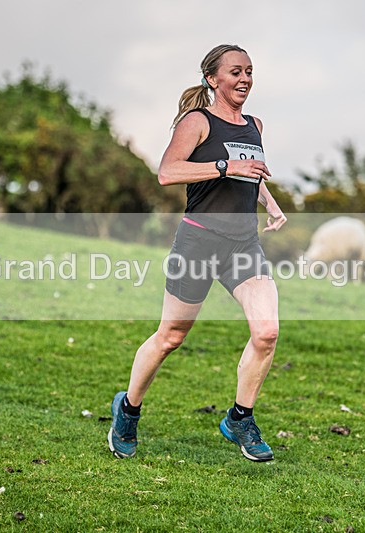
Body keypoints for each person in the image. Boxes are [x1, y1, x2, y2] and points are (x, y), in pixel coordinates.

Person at [108, 44, 287, 462]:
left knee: (267, 332)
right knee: (171, 336)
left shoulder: (255, 125)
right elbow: (168, 171)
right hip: (199, 241)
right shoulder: (197, 121)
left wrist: (269, 201)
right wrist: (226, 167)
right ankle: (128, 410)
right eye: (235, 72)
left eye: (249, 72)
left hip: (243, 244)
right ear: (213, 79)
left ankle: (240, 418)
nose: (244, 79)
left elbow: (250, 174)